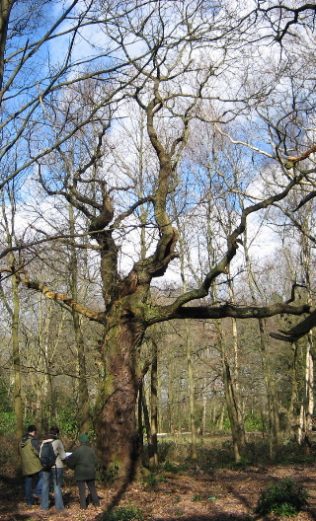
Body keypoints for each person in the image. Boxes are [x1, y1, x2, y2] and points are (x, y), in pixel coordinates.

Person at [66, 433, 100, 509]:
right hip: (91, 473)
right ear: (87, 441)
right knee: (92, 489)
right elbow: (96, 462)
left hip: (80, 474)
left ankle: (83, 507)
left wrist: (72, 467)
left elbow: (70, 462)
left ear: (80, 441)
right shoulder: (91, 451)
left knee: (82, 491)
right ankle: (97, 504)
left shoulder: (77, 451)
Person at [40, 426, 67, 512]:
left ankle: (44, 506)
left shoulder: (43, 441)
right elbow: (63, 456)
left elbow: (40, 455)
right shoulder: (58, 441)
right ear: (57, 433)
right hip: (57, 467)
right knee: (57, 486)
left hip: (45, 466)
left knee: (45, 485)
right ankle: (59, 508)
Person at [19, 424, 43, 506]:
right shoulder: (32, 441)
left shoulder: (22, 441)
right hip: (35, 465)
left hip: (26, 466)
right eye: (36, 432)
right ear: (34, 431)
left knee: (28, 484)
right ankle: (37, 491)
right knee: (43, 477)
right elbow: (38, 452)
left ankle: (29, 503)